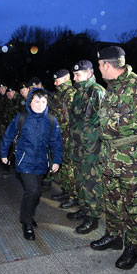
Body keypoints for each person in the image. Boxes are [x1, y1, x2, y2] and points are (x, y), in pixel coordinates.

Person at [93, 46, 137, 270]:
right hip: (110, 158)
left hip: (132, 163)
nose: (99, 69)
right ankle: (114, 235)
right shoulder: (112, 88)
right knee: (112, 201)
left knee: (135, 206)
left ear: (106, 64)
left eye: (99, 65)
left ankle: (134, 246)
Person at [0, 88, 63, 240]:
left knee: (37, 192)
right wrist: (3, 153)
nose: (40, 105)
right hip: (24, 161)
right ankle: (26, 223)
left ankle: (29, 215)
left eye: (43, 101)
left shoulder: (51, 120)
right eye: (36, 101)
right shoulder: (21, 117)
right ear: (30, 102)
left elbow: (56, 142)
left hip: (42, 162)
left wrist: (57, 160)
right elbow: (8, 136)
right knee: (32, 190)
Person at [66, 60, 107, 234]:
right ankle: (84, 208)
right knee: (81, 180)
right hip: (78, 146)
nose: (75, 78)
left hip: (92, 148)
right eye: (74, 75)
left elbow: (104, 122)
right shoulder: (78, 94)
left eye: (78, 74)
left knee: (92, 182)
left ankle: (93, 217)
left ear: (89, 73)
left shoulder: (96, 92)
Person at [49, 69, 78, 209]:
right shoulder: (59, 96)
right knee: (65, 167)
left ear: (66, 79)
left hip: (70, 139)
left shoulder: (72, 95)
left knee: (71, 169)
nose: (55, 83)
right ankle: (67, 191)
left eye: (57, 80)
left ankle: (74, 196)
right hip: (60, 138)